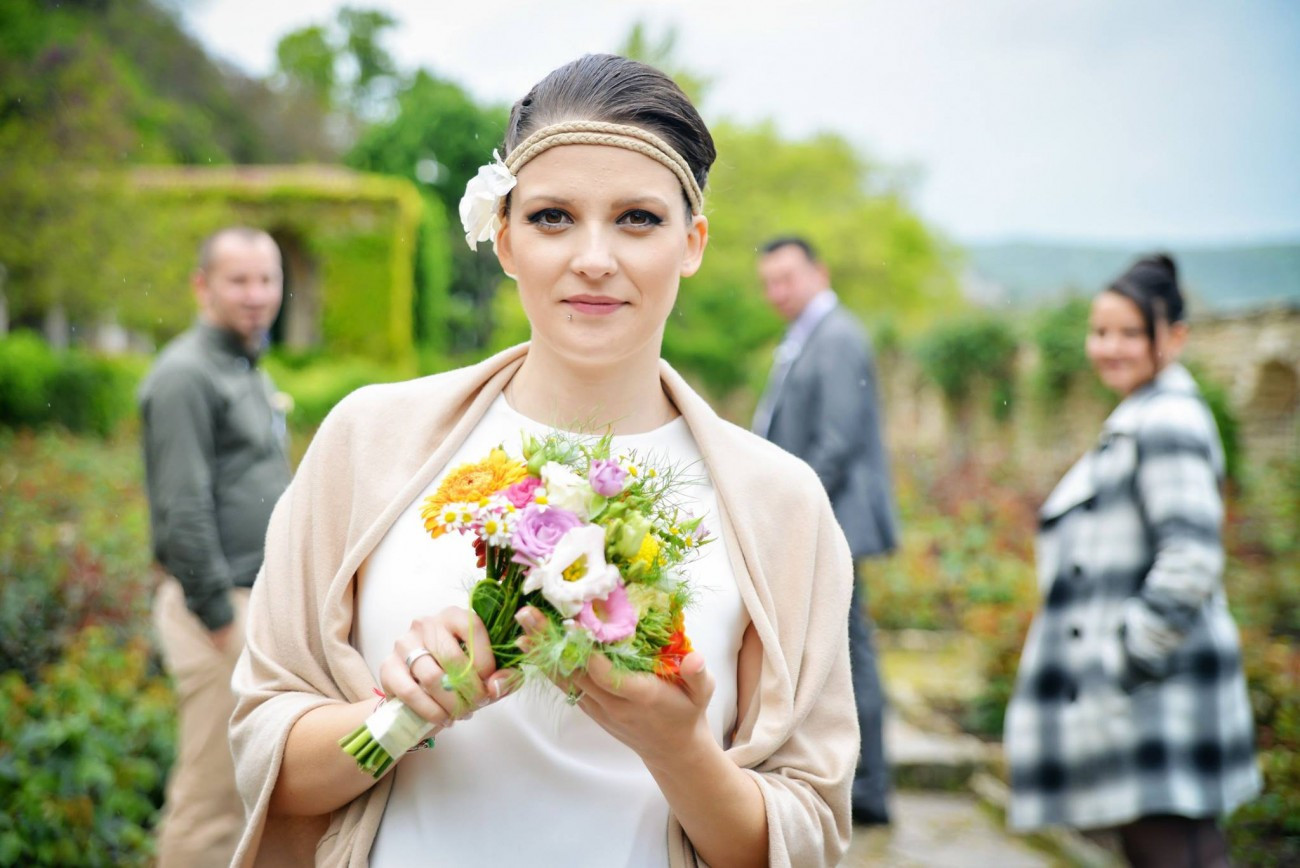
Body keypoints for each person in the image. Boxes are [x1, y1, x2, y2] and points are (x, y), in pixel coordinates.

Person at [229, 54, 858, 867]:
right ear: (504, 236)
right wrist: (401, 713)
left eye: (638, 218)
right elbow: (264, 761)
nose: (593, 257)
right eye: (553, 216)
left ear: (692, 243)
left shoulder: (781, 504)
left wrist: (679, 749)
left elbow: (804, 833)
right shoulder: (367, 442)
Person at [1004, 254, 1260, 866]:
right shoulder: (1143, 413)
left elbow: (1192, 559)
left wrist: (1123, 661)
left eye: (1129, 332)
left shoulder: (1167, 419)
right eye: (1100, 331)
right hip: (1152, 695)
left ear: (1173, 337)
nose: (1109, 347)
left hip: (1156, 695)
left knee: (1173, 849)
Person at [139, 226, 291, 868]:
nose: (256, 295)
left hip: (251, 603)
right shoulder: (184, 375)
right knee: (209, 808)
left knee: (251, 797)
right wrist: (222, 624)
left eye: (267, 280)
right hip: (217, 612)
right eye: (239, 281)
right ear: (203, 286)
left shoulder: (242, 363)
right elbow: (183, 508)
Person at [753, 237, 897, 826]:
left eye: (786, 278)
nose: (776, 292)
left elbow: (836, 443)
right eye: (768, 282)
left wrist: (789, 510)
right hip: (826, 516)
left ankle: (868, 789)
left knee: (849, 654)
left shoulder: (836, 337)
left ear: (820, 272)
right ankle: (854, 781)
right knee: (836, 650)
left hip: (837, 519)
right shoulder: (808, 335)